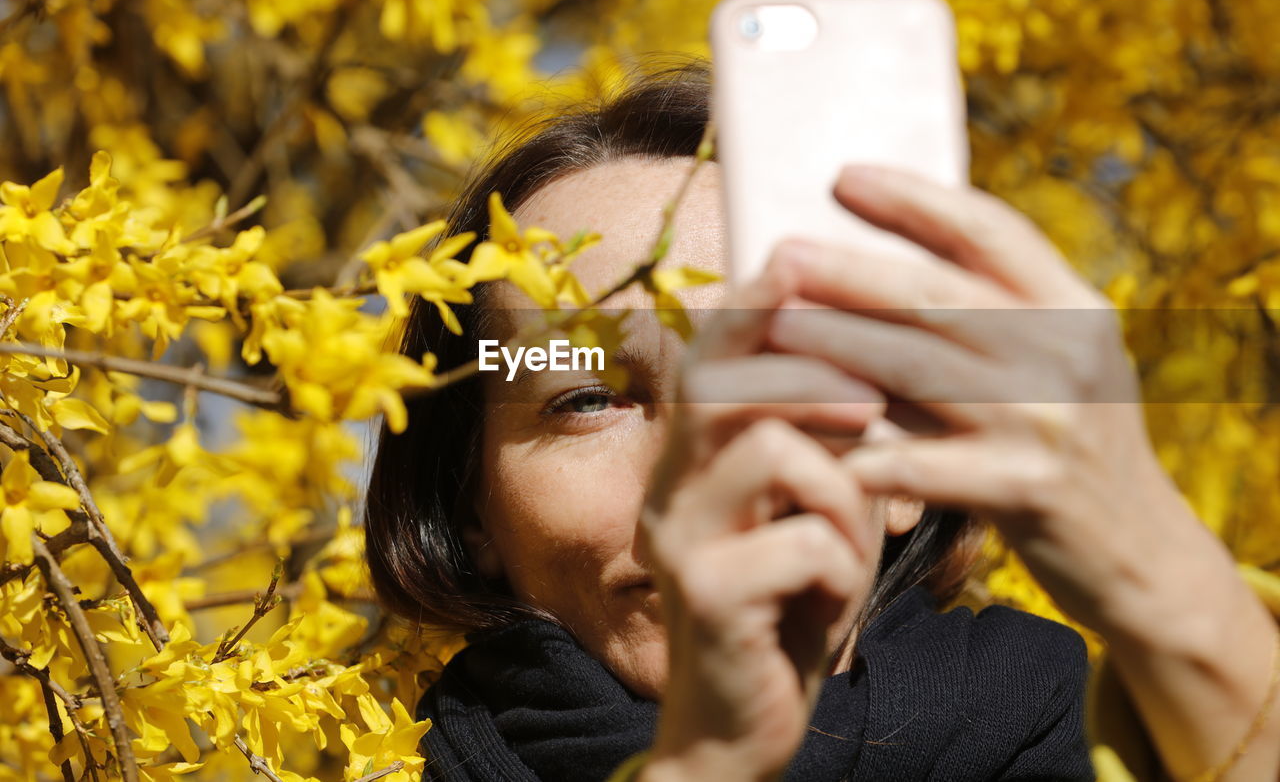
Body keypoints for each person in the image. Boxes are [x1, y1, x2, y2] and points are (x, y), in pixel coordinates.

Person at [363, 62, 1280, 782]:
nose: (693, 476)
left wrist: (1170, 582)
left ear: (907, 467)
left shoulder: (1138, 740)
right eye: (585, 398)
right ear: (472, 501)